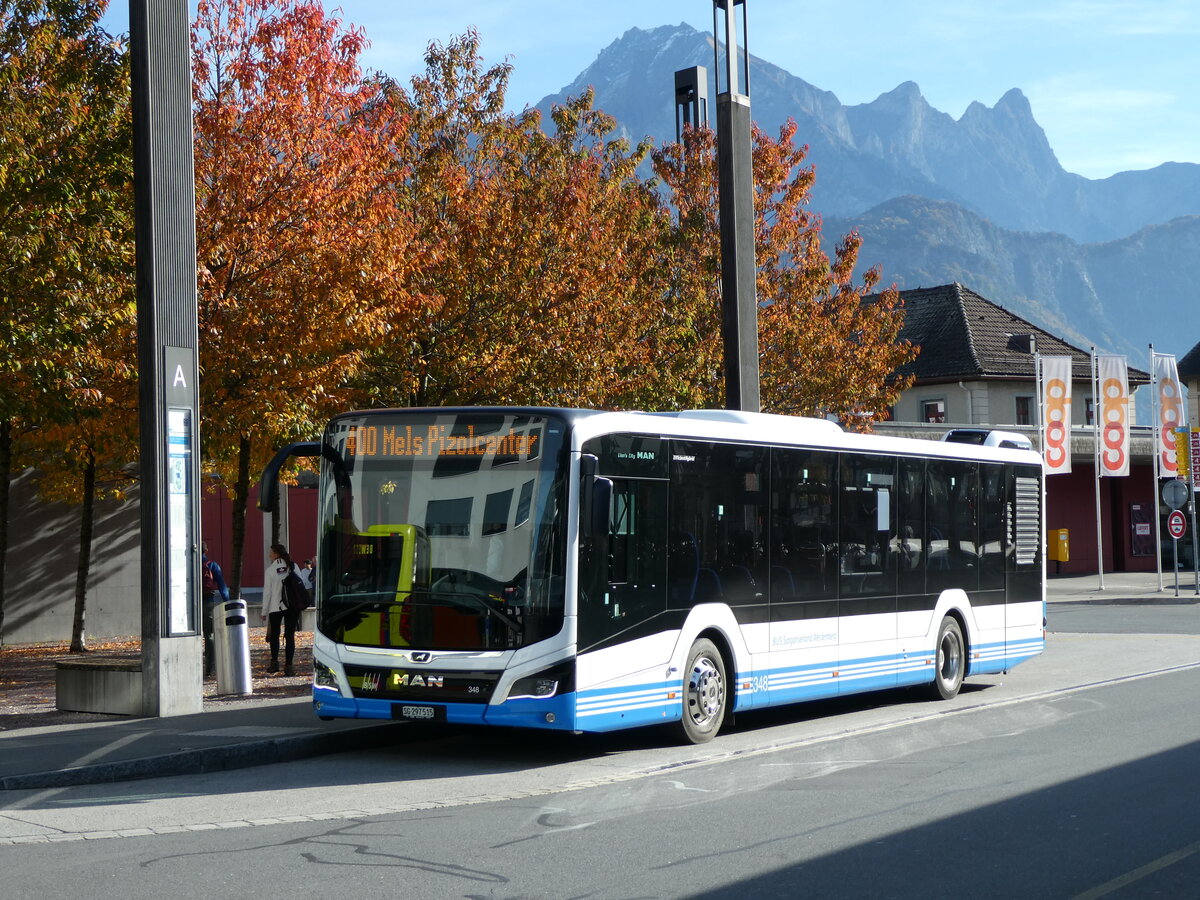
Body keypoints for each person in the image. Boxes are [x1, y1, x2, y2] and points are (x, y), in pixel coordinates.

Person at [263, 542, 302, 676]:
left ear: (276, 554)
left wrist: (264, 611)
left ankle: (274, 664)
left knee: (275, 635)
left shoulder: (270, 571)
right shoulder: (293, 566)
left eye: (271, 552)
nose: (269, 555)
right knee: (290, 635)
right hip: (292, 607)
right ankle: (289, 666)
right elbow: (300, 585)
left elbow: (267, 593)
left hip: (275, 607)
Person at [201, 541, 230, 678]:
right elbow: (222, 586)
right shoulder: (212, 565)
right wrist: (228, 602)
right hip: (208, 601)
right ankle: (209, 667)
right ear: (206, 550)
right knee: (209, 635)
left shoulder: (187, 564)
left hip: (190, 604)